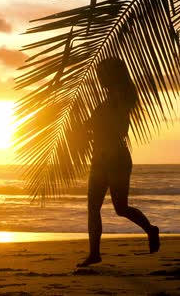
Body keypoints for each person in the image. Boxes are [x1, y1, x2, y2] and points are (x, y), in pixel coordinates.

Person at [78, 57, 160, 267]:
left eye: (102, 73)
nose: (98, 78)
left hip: (116, 158)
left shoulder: (123, 96)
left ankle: (151, 230)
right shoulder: (106, 100)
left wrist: (95, 128)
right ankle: (94, 253)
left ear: (113, 75)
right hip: (99, 159)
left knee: (120, 208)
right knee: (93, 207)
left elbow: (116, 126)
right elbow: (93, 126)